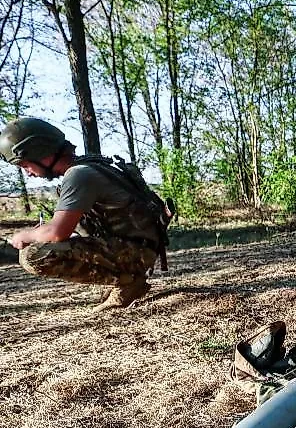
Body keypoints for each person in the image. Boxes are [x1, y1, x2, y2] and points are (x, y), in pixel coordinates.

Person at [0, 117, 170, 312]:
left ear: (40, 151)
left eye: (25, 165)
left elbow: (57, 232)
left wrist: (25, 235)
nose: (28, 173)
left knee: (33, 255)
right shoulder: (90, 166)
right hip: (138, 248)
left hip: (135, 253)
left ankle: (129, 281)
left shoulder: (78, 175)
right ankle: (125, 279)